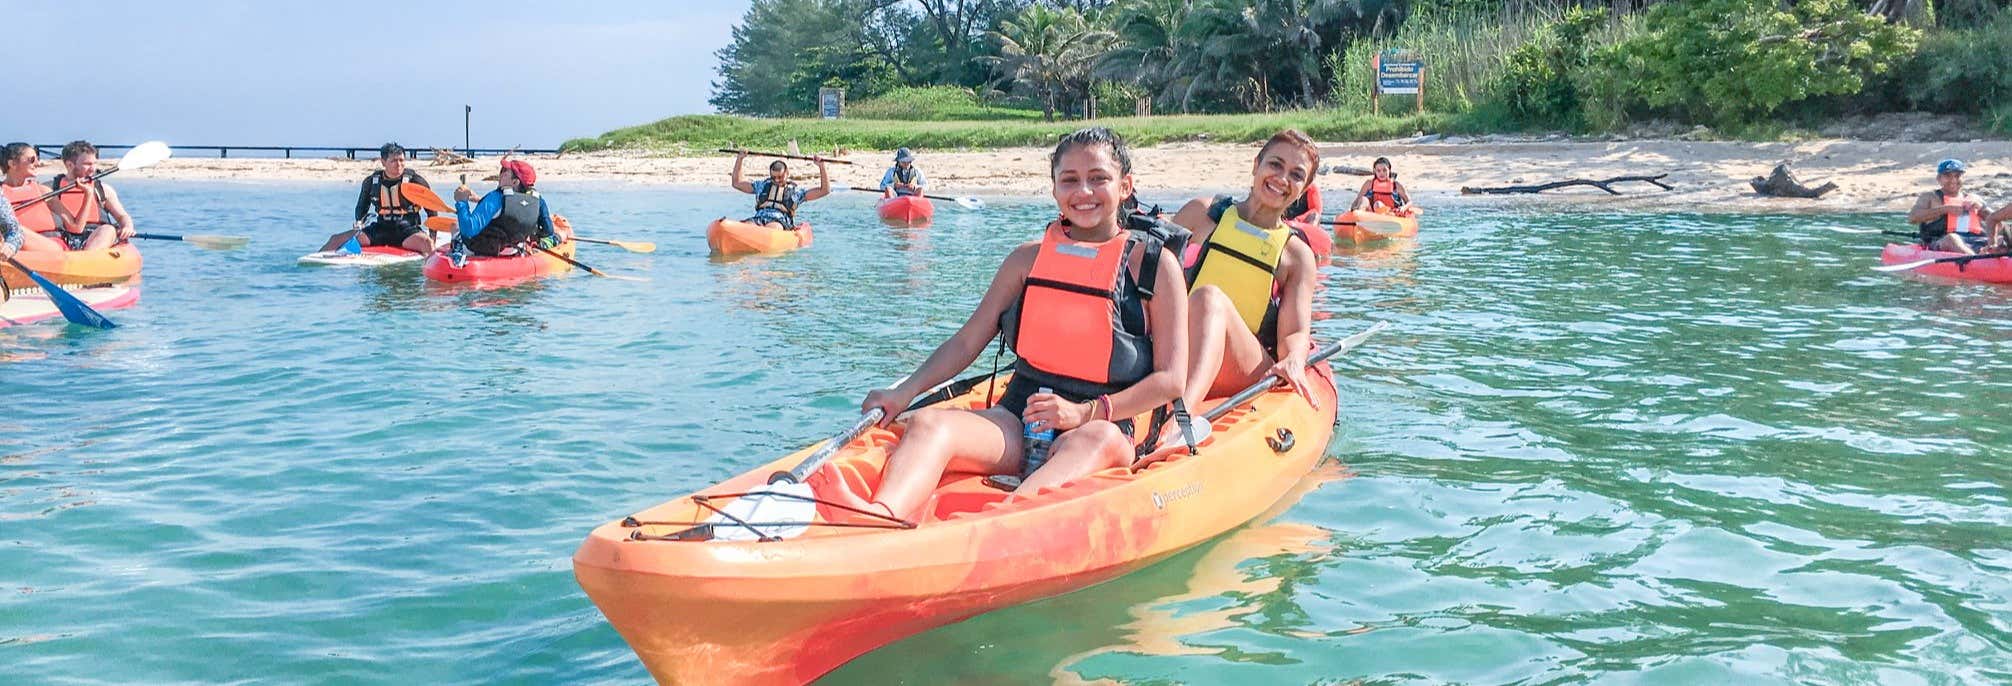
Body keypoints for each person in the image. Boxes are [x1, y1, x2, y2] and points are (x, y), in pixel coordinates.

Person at [825, 127, 1188, 522]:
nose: (1083, 191)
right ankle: (879, 515)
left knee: (1097, 440)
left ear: (1125, 186)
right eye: (1069, 180)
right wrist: (904, 392)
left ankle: (995, 524)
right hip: (1020, 417)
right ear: (1054, 189)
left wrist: (1083, 413)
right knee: (929, 424)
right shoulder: (1026, 261)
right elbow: (967, 342)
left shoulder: (1153, 267)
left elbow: (1171, 380)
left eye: (1098, 178)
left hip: (1105, 423)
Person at [1167, 130, 1323, 445]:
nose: (1282, 179)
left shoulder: (1296, 255)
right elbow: (1149, 272)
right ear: (1256, 165)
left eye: (1296, 175)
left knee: (1209, 298)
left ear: (1303, 189)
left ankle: (1177, 420)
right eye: (1275, 165)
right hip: (1185, 345)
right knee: (1198, 301)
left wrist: (1294, 358)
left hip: (1243, 365)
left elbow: (1294, 333)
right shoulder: (1202, 214)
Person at [319, 143, 438, 254]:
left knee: (427, 243)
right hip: (380, 230)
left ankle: (434, 265)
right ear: (383, 162)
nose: (399, 164)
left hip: (407, 231)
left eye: (401, 160)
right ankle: (314, 262)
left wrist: (432, 237)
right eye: (393, 161)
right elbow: (361, 207)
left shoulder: (416, 181)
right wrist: (359, 223)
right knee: (335, 239)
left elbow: (432, 211)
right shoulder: (371, 182)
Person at [448, 159, 567, 266]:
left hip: (482, 249)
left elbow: (469, 230)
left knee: (456, 226)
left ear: (515, 182)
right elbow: (548, 231)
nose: (500, 175)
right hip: (514, 249)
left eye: (505, 172)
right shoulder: (538, 200)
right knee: (554, 236)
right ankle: (556, 239)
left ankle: (457, 252)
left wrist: (461, 202)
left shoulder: (495, 197)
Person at [48, 140, 137, 250]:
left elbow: (122, 216)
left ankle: (88, 256)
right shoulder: (50, 189)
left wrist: (127, 227)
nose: (93, 169)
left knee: (108, 229)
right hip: (65, 238)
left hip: (97, 235)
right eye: (87, 164)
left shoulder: (103, 190)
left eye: (94, 163)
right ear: (69, 165)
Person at [0, 143, 72, 252]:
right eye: (32, 160)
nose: (37, 163)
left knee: (15, 230)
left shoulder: (43, 191)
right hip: (15, 250)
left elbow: (75, 227)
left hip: (51, 248)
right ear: (12, 164)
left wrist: (89, 194)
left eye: (37, 159)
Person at [731, 152, 830, 230]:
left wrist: (821, 166)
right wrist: (740, 158)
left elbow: (824, 190)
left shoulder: (796, 193)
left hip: (779, 222)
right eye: (773, 177)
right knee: (748, 225)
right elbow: (737, 183)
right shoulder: (761, 186)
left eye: (780, 177)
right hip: (758, 219)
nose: (777, 180)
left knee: (773, 227)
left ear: (787, 173)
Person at [1350, 157, 1417, 216]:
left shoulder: (1396, 185)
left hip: (1391, 214)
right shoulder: (1369, 183)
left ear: (1389, 170)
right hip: (1372, 214)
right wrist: (1351, 210)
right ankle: (1358, 219)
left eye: (1384, 170)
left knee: (1378, 204)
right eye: (1378, 171)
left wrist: (1403, 208)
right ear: (1375, 171)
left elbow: (1409, 202)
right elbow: (1358, 199)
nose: (1381, 173)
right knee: (1363, 199)